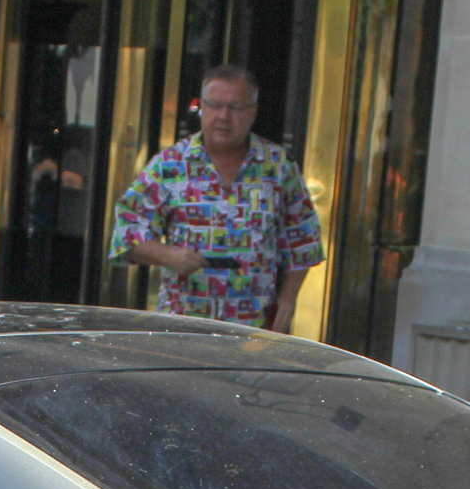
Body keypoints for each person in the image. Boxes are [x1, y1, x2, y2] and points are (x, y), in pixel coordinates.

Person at [111, 64, 323, 332]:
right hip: (183, 326)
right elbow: (125, 232)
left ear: (253, 112)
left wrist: (288, 299)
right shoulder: (169, 165)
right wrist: (168, 255)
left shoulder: (278, 166)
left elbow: (304, 238)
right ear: (203, 109)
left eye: (235, 107)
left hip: (253, 330)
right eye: (214, 105)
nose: (223, 116)